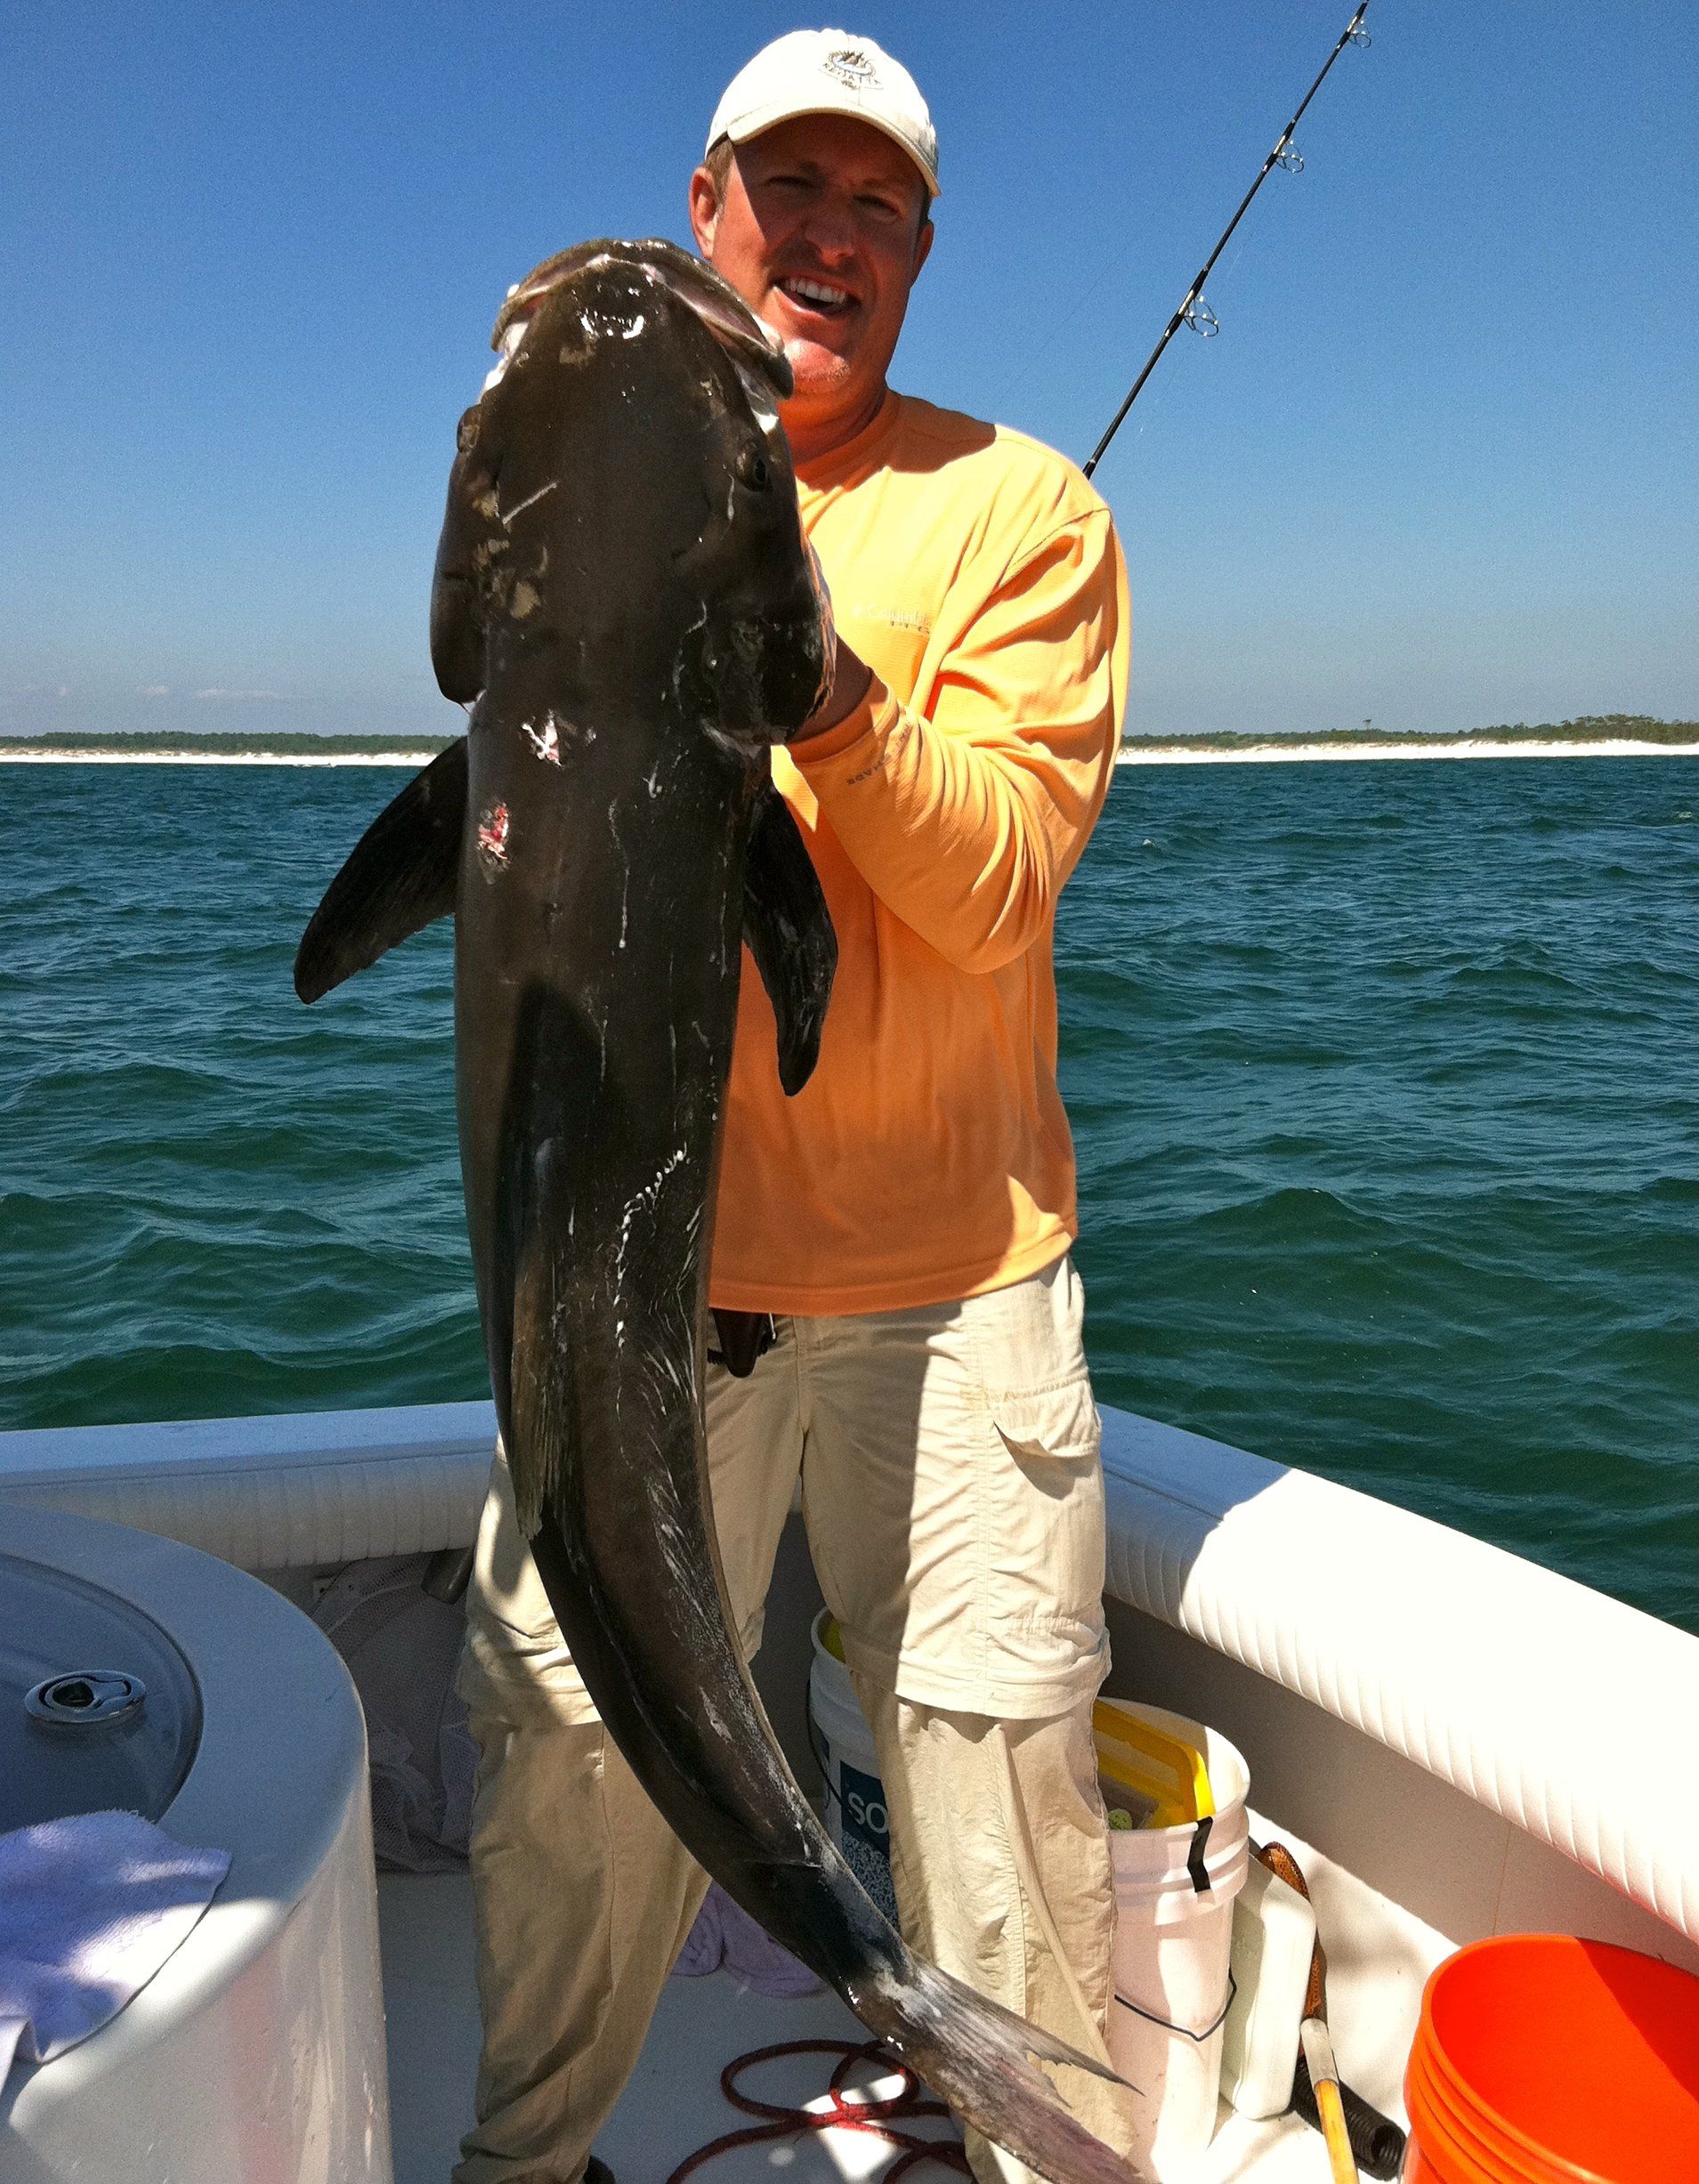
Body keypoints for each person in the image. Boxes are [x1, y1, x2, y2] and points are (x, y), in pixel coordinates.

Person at [454, 29, 1133, 2184]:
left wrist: (818, 692)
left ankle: (1033, 2128)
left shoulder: (1025, 509)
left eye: (878, 206)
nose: (826, 238)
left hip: (952, 1294)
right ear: (708, 205)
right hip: (640, 1306)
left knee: (993, 1780)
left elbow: (996, 878)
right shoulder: (607, 438)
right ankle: (525, 2160)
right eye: (788, 190)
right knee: (569, 1753)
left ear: (918, 249)